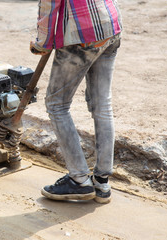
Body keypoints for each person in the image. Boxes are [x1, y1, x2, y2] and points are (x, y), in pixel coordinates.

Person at [30, 0, 122, 203]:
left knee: (57, 105)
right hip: (110, 26)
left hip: (81, 35)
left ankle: (79, 180)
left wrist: (41, 44)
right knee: (102, 105)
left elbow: (49, 5)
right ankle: (102, 182)